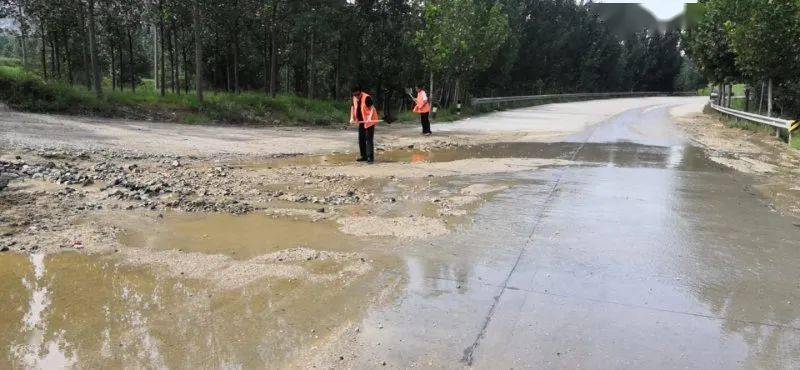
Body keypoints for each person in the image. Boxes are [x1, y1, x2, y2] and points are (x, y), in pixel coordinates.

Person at [350, 86, 380, 163]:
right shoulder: (354, 97)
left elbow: (372, 108)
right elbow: (353, 107)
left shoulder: (367, 97)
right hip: (361, 121)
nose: (356, 96)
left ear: (360, 92)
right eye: (355, 95)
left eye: (358, 94)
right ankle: (364, 156)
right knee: (361, 139)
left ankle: (370, 157)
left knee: (368, 139)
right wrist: (352, 118)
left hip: (369, 121)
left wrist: (369, 118)